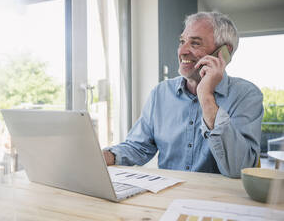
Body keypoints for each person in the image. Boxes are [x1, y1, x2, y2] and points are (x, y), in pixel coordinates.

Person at [103, 11, 263, 178]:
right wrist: (103, 157)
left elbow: (240, 169)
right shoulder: (161, 93)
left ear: (223, 52)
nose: (183, 51)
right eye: (182, 42)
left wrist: (206, 97)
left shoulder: (246, 95)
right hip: (167, 194)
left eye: (195, 43)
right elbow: (138, 147)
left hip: (218, 200)